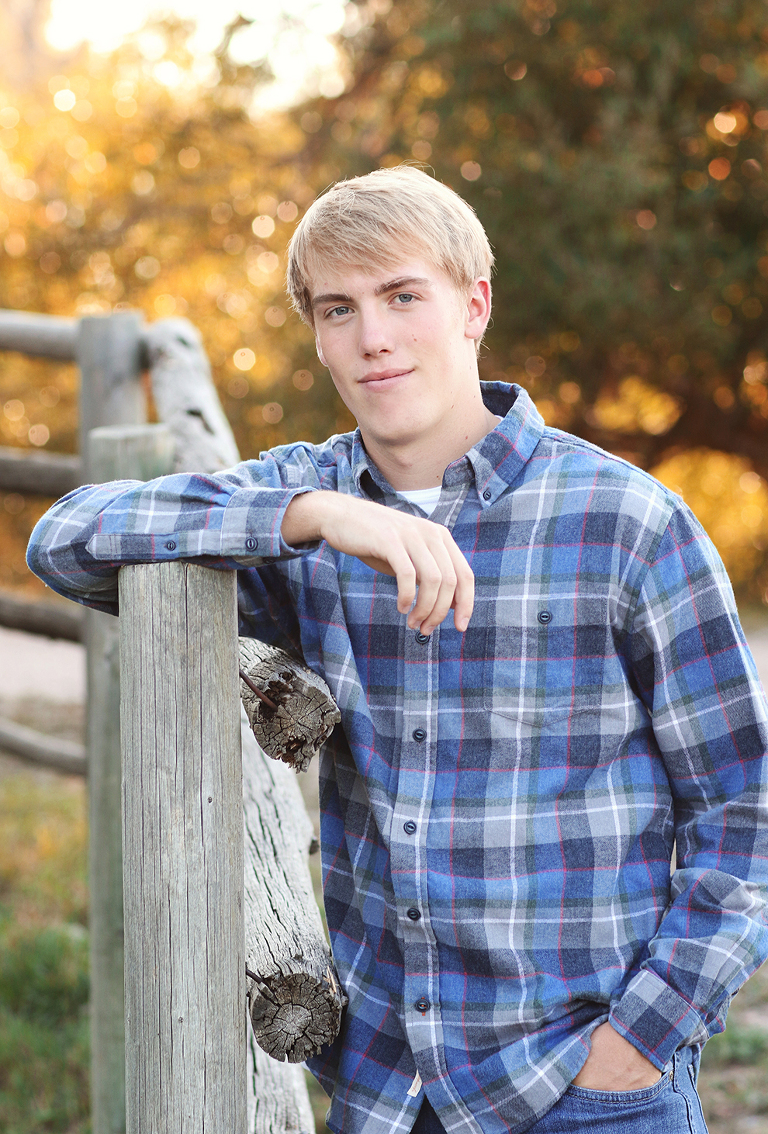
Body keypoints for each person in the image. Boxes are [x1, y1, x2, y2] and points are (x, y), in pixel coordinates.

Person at [27, 166, 768, 1134]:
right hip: (388, 1095)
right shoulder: (310, 509)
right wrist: (317, 515)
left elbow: (744, 811)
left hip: (587, 1089)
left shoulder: (629, 523)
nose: (372, 337)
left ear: (475, 305)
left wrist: (640, 1039)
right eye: (338, 310)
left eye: (403, 296)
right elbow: (67, 538)